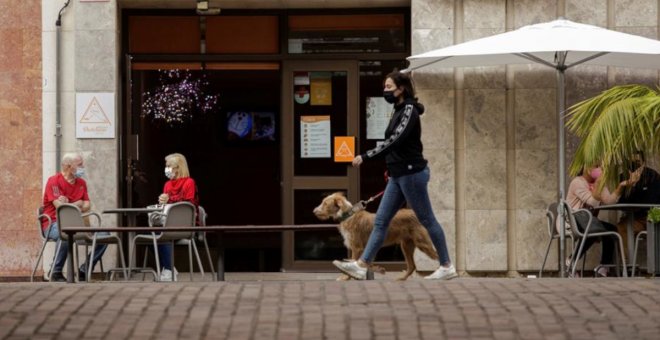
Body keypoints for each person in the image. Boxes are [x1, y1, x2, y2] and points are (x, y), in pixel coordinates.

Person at [332, 71, 457, 280]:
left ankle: (446, 265)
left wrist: (366, 156)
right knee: (381, 222)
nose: (385, 91)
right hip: (398, 176)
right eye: (385, 87)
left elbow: (395, 141)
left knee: (426, 219)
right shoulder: (398, 110)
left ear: (401, 89)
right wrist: (390, 169)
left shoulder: (409, 110)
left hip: (412, 174)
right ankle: (362, 265)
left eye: (389, 87)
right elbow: (395, 145)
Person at [41, 153, 107, 282]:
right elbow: (59, 207)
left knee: (105, 235)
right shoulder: (53, 181)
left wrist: (71, 204)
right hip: (53, 224)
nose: (83, 167)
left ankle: (84, 269)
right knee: (65, 233)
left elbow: (87, 205)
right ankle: (56, 271)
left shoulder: (81, 183)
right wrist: (77, 203)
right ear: (69, 166)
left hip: (78, 224)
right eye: (80, 164)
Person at [565, 164, 629, 277]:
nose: (599, 169)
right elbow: (593, 202)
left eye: (600, 166)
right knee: (593, 230)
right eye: (596, 166)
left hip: (588, 221)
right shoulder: (578, 182)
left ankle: (603, 267)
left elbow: (609, 201)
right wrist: (599, 183)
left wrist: (620, 187)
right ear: (586, 167)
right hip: (573, 221)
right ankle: (571, 260)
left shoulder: (598, 183)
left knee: (611, 230)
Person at [155, 153, 199, 281]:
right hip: (167, 224)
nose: (166, 169)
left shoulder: (189, 182)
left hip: (185, 226)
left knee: (162, 234)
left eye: (169, 166)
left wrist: (170, 199)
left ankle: (168, 270)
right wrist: (162, 201)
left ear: (178, 168)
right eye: (166, 166)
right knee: (149, 233)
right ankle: (169, 268)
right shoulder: (167, 184)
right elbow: (166, 205)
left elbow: (189, 203)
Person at [614, 151, 660, 255]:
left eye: (638, 161)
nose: (635, 164)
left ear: (643, 162)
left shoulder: (652, 175)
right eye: (632, 162)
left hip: (651, 216)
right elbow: (621, 202)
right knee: (621, 227)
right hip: (634, 218)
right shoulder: (624, 177)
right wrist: (631, 185)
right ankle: (627, 266)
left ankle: (654, 268)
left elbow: (652, 200)